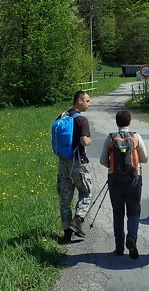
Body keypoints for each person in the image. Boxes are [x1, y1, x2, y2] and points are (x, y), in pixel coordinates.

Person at [99, 110, 148, 259]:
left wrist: (112, 167)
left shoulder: (110, 138)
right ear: (130, 122)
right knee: (133, 212)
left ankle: (119, 247)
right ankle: (131, 238)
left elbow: (102, 160)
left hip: (115, 179)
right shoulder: (135, 137)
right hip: (134, 179)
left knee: (118, 213)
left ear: (116, 123)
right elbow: (145, 158)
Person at [58, 91, 92, 243]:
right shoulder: (81, 120)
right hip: (78, 162)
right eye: (87, 101)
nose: (88, 104)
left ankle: (66, 232)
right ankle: (77, 221)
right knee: (86, 191)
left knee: (65, 197)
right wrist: (90, 141)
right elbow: (84, 142)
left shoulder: (62, 117)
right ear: (79, 101)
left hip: (63, 162)